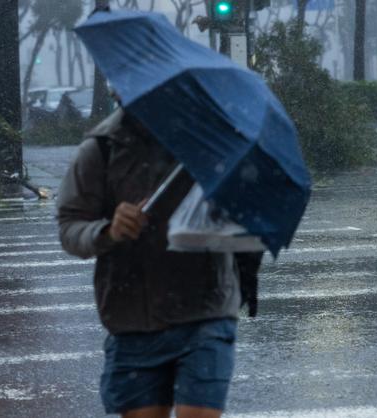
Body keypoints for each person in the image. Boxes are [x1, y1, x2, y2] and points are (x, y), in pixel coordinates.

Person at [57, 104, 259, 417]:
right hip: (133, 315)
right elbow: (70, 227)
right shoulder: (101, 148)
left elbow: (249, 208)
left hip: (205, 309)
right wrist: (108, 230)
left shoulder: (211, 140)